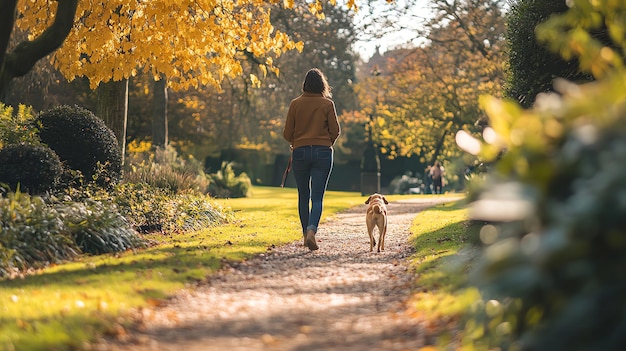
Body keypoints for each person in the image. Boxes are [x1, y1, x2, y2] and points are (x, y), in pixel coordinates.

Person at [283, 68, 341, 251]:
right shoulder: (327, 104)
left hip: (300, 152)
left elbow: (286, 133)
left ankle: (305, 234)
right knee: (317, 197)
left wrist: (296, 142)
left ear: (305, 85)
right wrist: (325, 142)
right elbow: (336, 131)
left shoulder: (295, 104)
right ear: (322, 85)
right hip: (323, 152)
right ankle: (311, 231)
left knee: (303, 195)